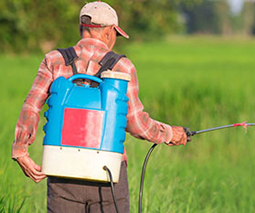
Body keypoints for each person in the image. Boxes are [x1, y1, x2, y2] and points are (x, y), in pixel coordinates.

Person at [12, 1, 187, 213]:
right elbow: (136, 124)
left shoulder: (54, 60)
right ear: (109, 33)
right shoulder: (122, 66)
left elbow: (31, 105)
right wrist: (170, 134)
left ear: (81, 29)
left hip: (61, 170)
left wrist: (20, 150)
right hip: (108, 173)